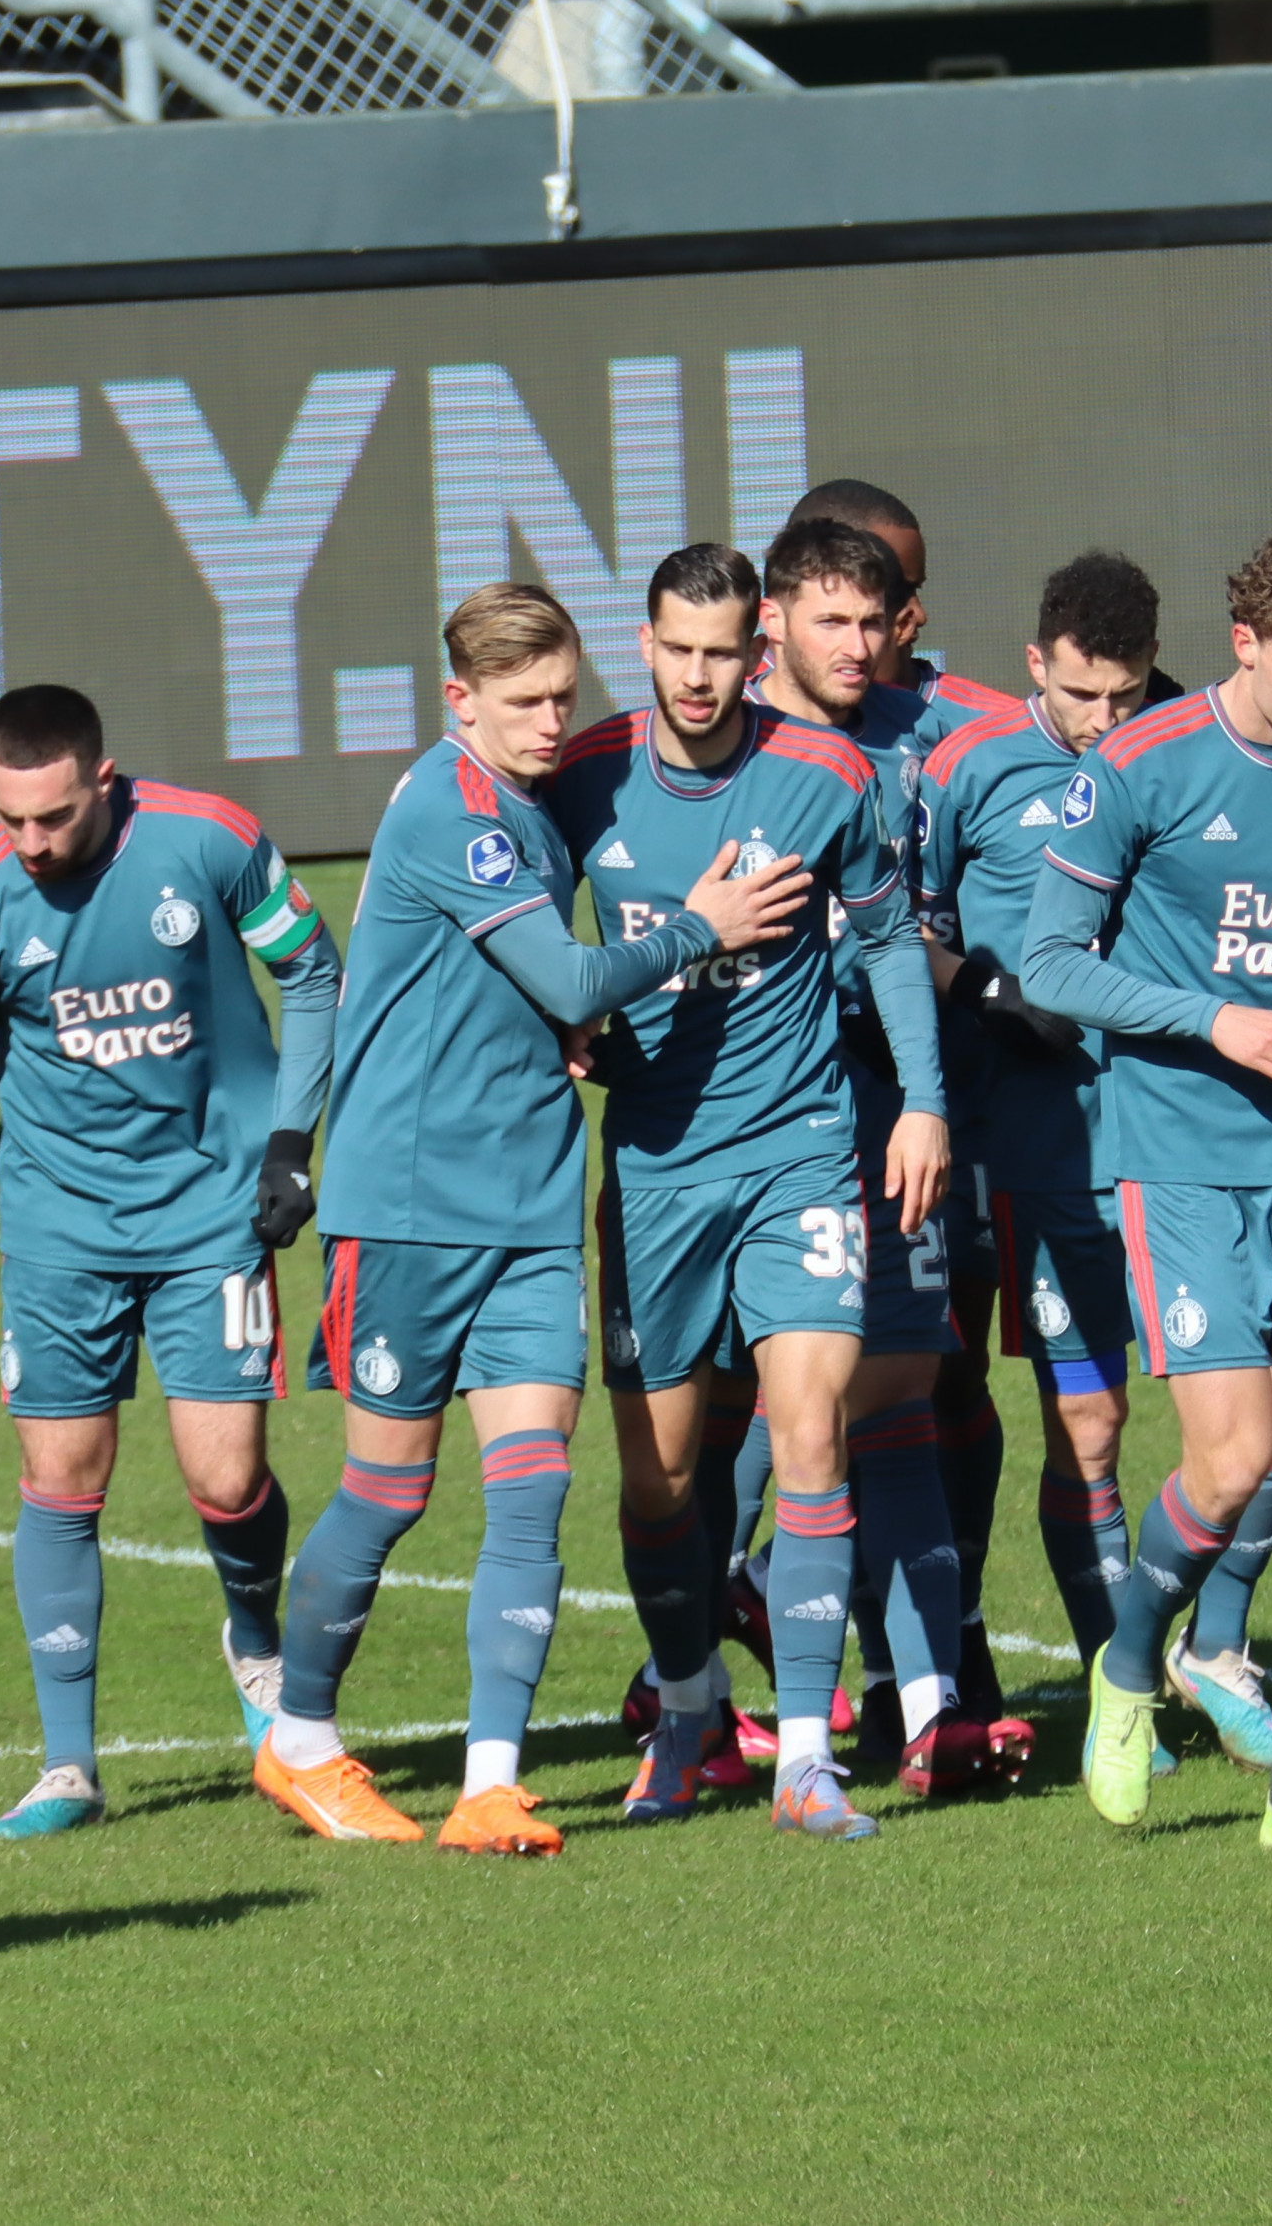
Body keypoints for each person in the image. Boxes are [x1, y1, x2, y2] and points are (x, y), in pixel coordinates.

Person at [263, 586, 814, 1852]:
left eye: (564, 696)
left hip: (525, 1200)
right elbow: (563, 969)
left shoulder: (522, 806)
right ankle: (299, 1741)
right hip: (408, 1207)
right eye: (522, 704)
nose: (551, 723)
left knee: (534, 1487)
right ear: (459, 701)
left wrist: (572, 1031)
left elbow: (538, 997)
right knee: (388, 1491)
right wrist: (700, 930)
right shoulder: (459, 814)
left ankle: (490, 1783)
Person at [0, 685, 341, 1842]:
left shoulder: (207, 841)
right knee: (64, 1479)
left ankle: (254, 1642)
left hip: (208, 1214)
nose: (31, 844)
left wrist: (288, 1140)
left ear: (104, 780)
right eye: (11, 819)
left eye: (56, 818)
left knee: (226, 1479)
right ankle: (68, 1765)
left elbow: (317, 975)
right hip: (60, 1232)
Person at [1023, 531, 1272, 1852]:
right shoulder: (1139, 768)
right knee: (1233, 1458)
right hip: (1186, 1155)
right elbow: (1049, 964)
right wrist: (1217, 1022)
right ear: (1246, 641)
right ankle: (1131, 1662)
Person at [551, 543, 949, 1841]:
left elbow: (888, 937)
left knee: (813, 1426)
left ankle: (812, 1757)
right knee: (661, 1481)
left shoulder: (828, 774)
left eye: (726, 651)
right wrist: (562, 1025)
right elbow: (516, 938)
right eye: (679, 651)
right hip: (656, 1170)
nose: (703, 676)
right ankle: (688, 1711)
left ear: (759, 643)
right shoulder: (583, 774)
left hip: (801, 1148)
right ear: (646, 642)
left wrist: (928, 1101)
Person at [742, 513, 1018, 1795]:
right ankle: (695, 1651)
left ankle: (931, 1697)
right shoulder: (704, 736)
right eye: (840, 616)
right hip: (747, 1121)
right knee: (725, 1415)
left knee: (908, 1386)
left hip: (899, 1104)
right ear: (776, 618)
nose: (868, 640)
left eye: (884, 612)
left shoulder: (946, 728)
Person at [916, 554, 1165, 1692]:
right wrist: (992, 993)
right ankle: (950, 1656)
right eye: (1080, 698)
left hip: (1139, 1137)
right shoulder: (965, 765)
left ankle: (1126, 1684)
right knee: (956, 1397)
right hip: (997, 1141)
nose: (1105, 722)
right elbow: (895, 932)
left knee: (1104, 1427)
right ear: (1035, 665)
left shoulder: (1179, 752)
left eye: (1125, 696)